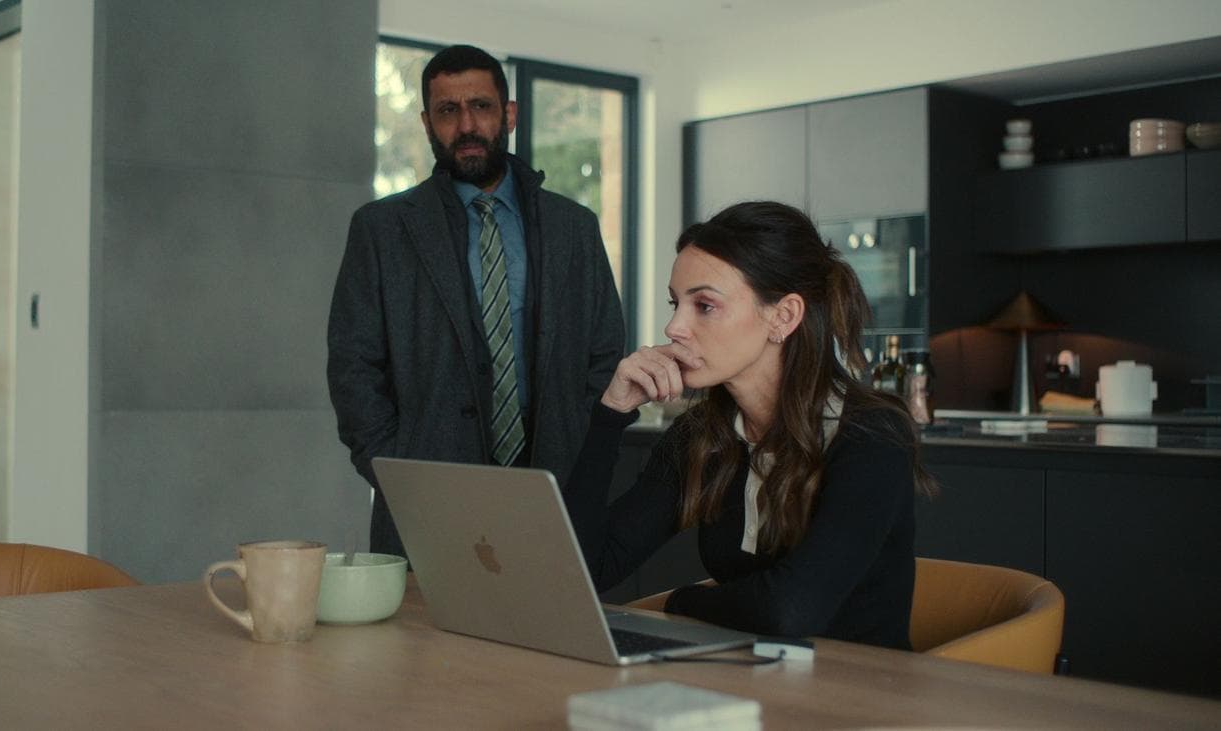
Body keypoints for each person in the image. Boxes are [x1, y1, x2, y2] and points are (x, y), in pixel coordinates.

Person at [563, 201, 935, 650]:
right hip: (743, 674)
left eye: (704, 305)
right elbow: (584, 569)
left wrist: (683, 602)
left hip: (856, 685)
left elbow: (790, 610)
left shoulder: (871, 434)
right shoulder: (702, 436)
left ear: (784, 316)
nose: (674, 327)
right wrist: (610, 415)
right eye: (675, 303)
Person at [327, 45, 624, 557]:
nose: (466, 125)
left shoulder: (574, 227)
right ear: (427, 123)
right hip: (425, 500)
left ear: (508, 114)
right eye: (448, 110)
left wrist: (577, 448)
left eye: (481, 106)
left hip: (553, 493)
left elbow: (605, 353)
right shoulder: (381, 230)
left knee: (544, 611)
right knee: (422, 616)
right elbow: (353, 367)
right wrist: (396, 469)